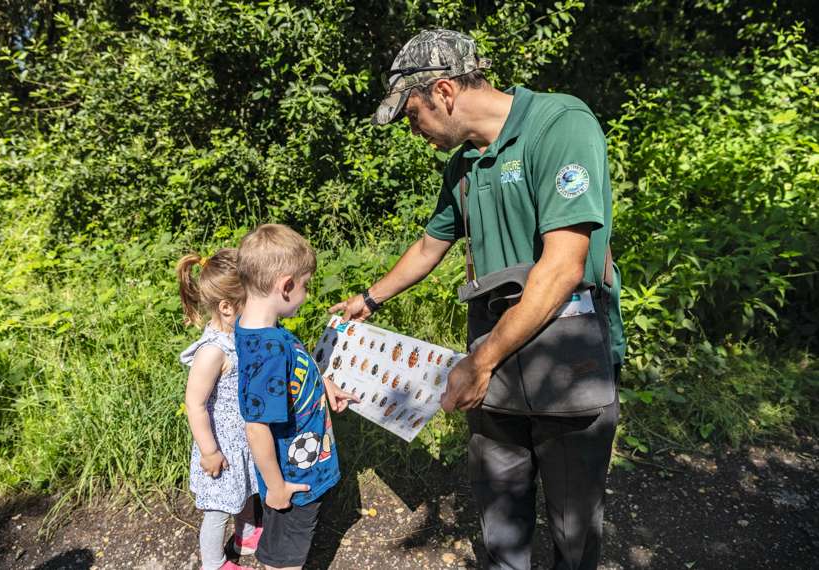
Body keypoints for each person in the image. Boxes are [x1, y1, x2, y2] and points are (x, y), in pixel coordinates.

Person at [330, 29, 626, 570]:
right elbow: (429, 244)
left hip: (565, 357)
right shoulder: (464, 168)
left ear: (444, 91)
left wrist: (479, 362)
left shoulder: (559, 125)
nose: (413, 130)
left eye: (413, 114)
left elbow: (563, 265)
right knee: (500, 519)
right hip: (495, 356)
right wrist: (369, 299)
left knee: (573, 526)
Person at [234, 224, 359, 570]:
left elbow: (293, 375)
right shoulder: (268, 349)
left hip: (302, 466)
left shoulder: (262, 330)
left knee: (294, 544)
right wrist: (276, 488)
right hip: (293, 478)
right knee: (284, 558)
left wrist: (323, 385)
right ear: (286, 285)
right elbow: (256, 426)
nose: (306, 294)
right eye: (304, 286)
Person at [177, 249, 263, 570]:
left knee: (244, 489)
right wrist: (209, 451)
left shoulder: (239, 333)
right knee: (217, 509)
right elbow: (195, 403)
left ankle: (247, 533)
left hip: (242, 438)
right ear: (227, 307)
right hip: (220, 445)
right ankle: (213, 562)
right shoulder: (212, 351)